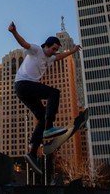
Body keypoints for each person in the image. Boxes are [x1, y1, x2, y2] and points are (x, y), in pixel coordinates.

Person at [8, 21, 81, 175]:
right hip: (23, 84)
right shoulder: (36, 50)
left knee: (41, 118)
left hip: (25, 91)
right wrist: (14, 32)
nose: (54, 52)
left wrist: (73, 51)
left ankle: (32, 152)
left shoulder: (50, 58)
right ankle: (49, 129)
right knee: (54, 93)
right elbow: (24, 43)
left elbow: (60, 56)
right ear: (47, 46)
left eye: (56, 50)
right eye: (53, 49)